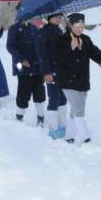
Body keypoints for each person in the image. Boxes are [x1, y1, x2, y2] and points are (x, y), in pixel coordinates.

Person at [55, 12, 101, 143]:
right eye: (77, 25)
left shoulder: (85, 39)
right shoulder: (61, 40)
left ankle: (69, 136)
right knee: (78, 110)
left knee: (76, 109)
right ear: (70, 25)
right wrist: (70, 48)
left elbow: (94, 51)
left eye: (82, 25)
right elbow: (58, 60)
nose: (80, 28)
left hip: (82, 79)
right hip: (67, 80)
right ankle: (85, 137)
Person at [6, 17, 46, 126]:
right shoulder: (14, 28)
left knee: (40, 92)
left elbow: (39, 46)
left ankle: (41, 118)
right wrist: (21, 59)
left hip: (37, 66)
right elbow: (10, 46)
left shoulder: (34, 28)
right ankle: (19, 117)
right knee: (24, 92)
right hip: (24, 67)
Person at [39, 11, 69, 140]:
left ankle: (62, 127)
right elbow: (42, 54)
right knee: (54, 98)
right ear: (49, 18)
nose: (59, 19)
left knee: (63, 98)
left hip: (62, 70)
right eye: (56, 17)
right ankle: (53, 129)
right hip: (51, 71)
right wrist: (46, 72)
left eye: (60, 17)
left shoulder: (60, 31)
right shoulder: (43, 32)